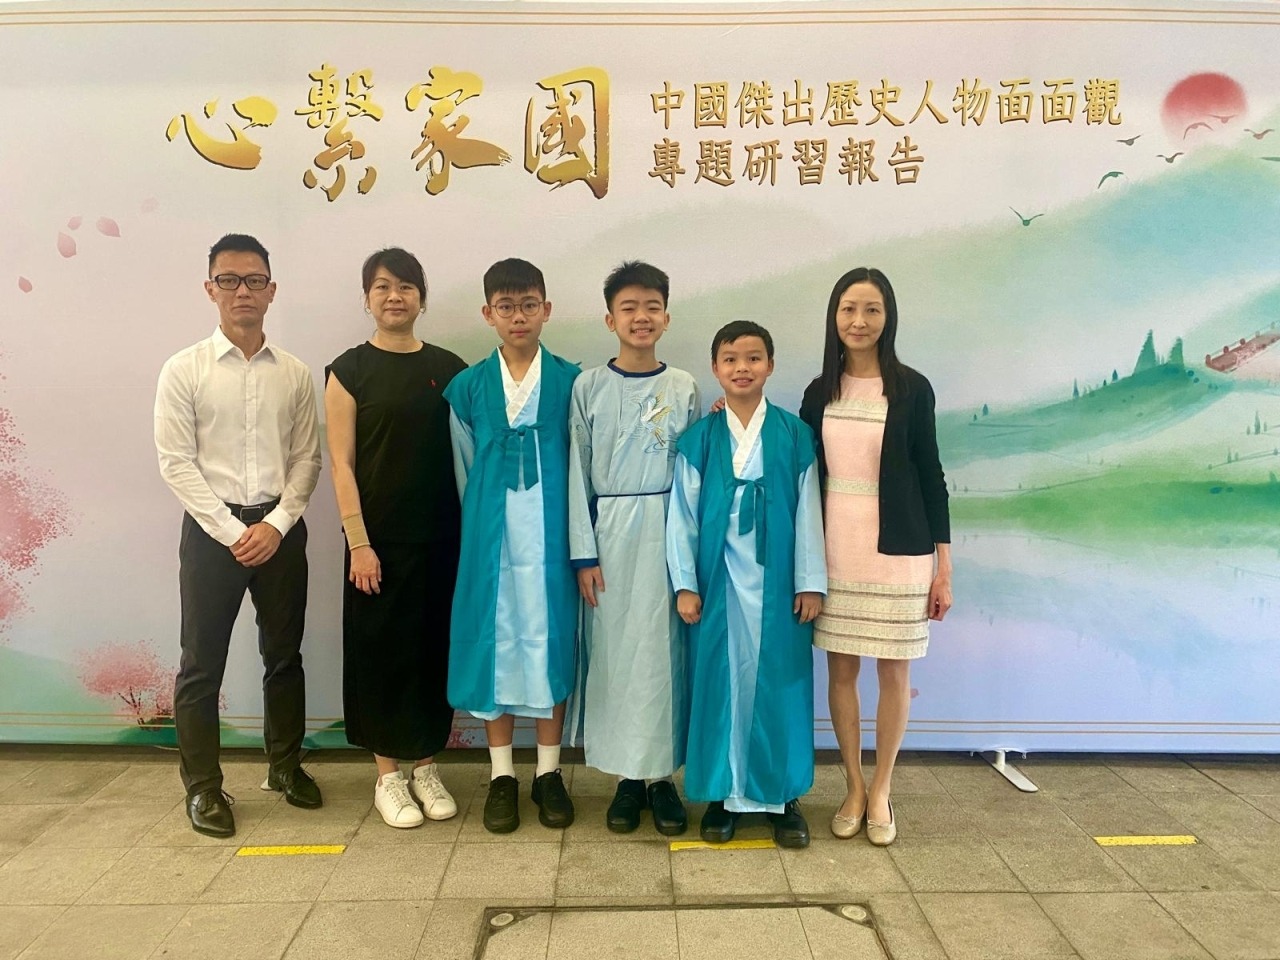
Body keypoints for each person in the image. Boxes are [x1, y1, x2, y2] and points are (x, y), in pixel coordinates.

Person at [155, 233, 323, 838]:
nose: (242, 291)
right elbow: (176, 463)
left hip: (281, 530)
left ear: (271, 291)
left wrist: (275, 524)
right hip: (211, 533)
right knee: (201, 664)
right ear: (211, 289)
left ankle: (285, 766)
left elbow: (307, 459)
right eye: (229, 280)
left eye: (254, 280)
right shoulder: (184, 369)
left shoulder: (295, 373)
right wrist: (233, 531)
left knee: (284, 656)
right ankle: (203, 788)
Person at [798, 267, 952, 847]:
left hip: (900, 551)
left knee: (894, 672)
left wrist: (944, 569)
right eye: (848, 309)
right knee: (841, 671)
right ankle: (854, 786)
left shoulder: (912, 388)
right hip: (835, 548)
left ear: (888, 318)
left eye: (871, 310)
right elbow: (797, 464)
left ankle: (883, 788)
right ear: (834, 317)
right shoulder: (820, 391)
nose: (859, 321)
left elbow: (932, 477)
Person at [666, 320, 827, 849]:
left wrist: (810, 581)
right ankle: (723, 796)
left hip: (778, 585)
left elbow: (808, 512)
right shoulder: (699, 439)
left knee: (781, 684)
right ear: (715, 368)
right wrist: (685, 584)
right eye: (731, 359)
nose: (742, 368)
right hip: (719, 584)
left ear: (770, 366)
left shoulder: (794, 435)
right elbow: (682, 517)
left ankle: (781, 798)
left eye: (754, 358)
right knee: (720, 684)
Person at [324, 248, 467, 829]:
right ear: (367, 298)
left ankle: (426, 767)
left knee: (431, 652)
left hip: (441, 539)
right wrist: (358, 542)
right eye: (382, 286)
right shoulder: (348, 370)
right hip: (376, 543)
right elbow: (341, 464)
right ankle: (388, 776)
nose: (394, 296)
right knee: (380, 654)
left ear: (421, 299)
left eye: (406, 286)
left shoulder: (451, 369)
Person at [444, 258, 580, 834]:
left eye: (528, 305)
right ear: (488, 314)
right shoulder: (468, 388)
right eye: (506, 306)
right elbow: (462, 470)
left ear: (546, 309)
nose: (518, 316)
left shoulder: (572, 382)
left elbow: (583, 464)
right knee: (494, 647)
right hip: (490, 543)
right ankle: (502, 774)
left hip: (552, 542)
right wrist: (482, 526)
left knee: (550, 644)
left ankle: (548, 772)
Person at [567, 261, 700, 836]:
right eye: (629, 307)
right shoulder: (588, 386)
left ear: (666, 317)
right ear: (610, 319)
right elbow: (575, 472)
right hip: (611, 534)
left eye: (652, 306)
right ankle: (625, 779)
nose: (640, 317)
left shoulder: (684, 387)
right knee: (617, 656)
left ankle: (662, 778)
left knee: (664, 657)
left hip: (669, 530)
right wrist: (584, 553)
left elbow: (694, 470)